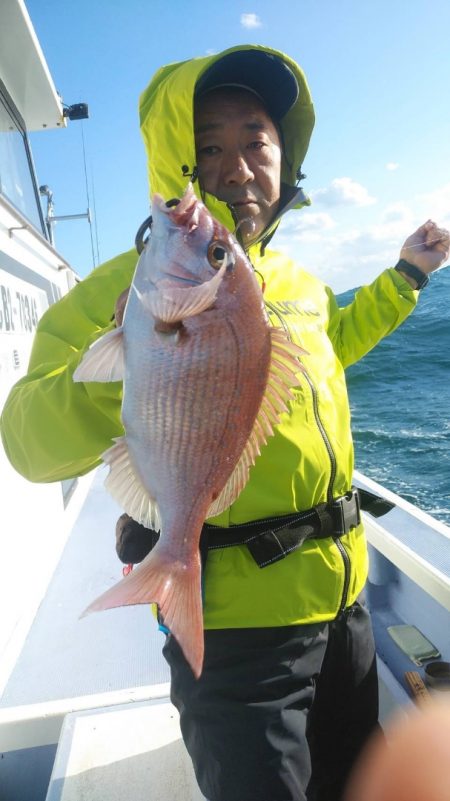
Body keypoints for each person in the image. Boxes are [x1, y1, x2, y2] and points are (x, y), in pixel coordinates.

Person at [0, 46, 448, 801]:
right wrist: (142, 369)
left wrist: (406, 279)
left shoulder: (298, 282)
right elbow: (26, 441)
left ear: (285, 156)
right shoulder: (124, 288)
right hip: (238, 634)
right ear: (175, 160)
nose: (238, 166)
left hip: (346, 610)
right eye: (209, 145)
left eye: (256, 140)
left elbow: (330, 345)